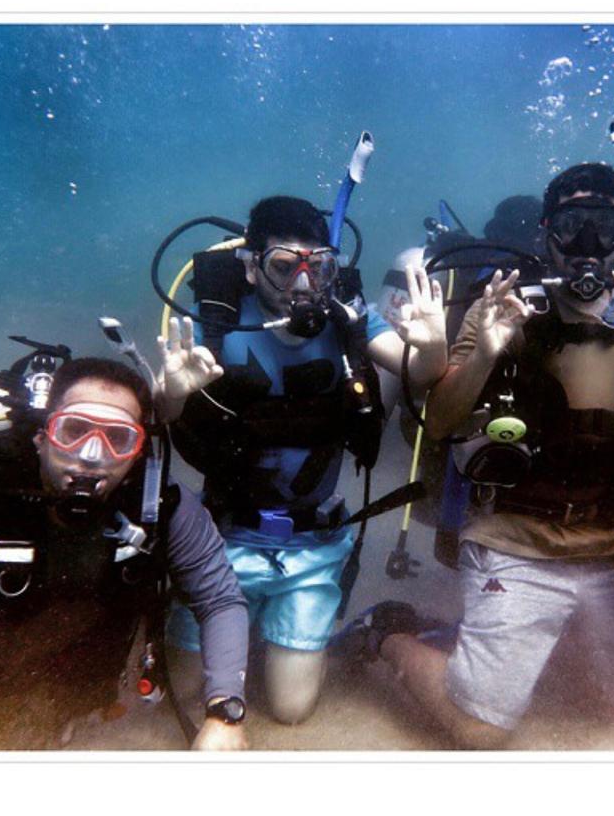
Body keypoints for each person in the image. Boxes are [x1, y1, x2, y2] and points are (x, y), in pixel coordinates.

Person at [349, 163, 614, 748]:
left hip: (605, 540)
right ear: (548, 230)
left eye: (603, 226)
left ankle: (499, 642)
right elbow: (440, 423)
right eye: (573, 224)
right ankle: (388, 631)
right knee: (480, 728)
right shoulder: (501, 301)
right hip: (512, 536)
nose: (587, 243)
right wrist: (485, 351)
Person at [158, 195, 448, 725]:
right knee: (188, 696)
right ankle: (232, 626)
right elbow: (162, 414)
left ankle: (356, 628)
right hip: (222, 538)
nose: (302, 283)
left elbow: (421, 373)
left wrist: (431, 347)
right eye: (283, 265)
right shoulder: (216, 325)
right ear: (251, 268)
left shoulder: (348, 322)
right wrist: (170, 394)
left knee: (291, 710)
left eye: (319, 267)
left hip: (312, 544)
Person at [0, 357, 249, 750]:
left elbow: (219, 599)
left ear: (137, 453)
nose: (92, 454)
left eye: (118, 438)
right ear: (42, 437)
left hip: (77, 686)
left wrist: (226, 711)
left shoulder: (164, 506)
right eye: (73, 430)